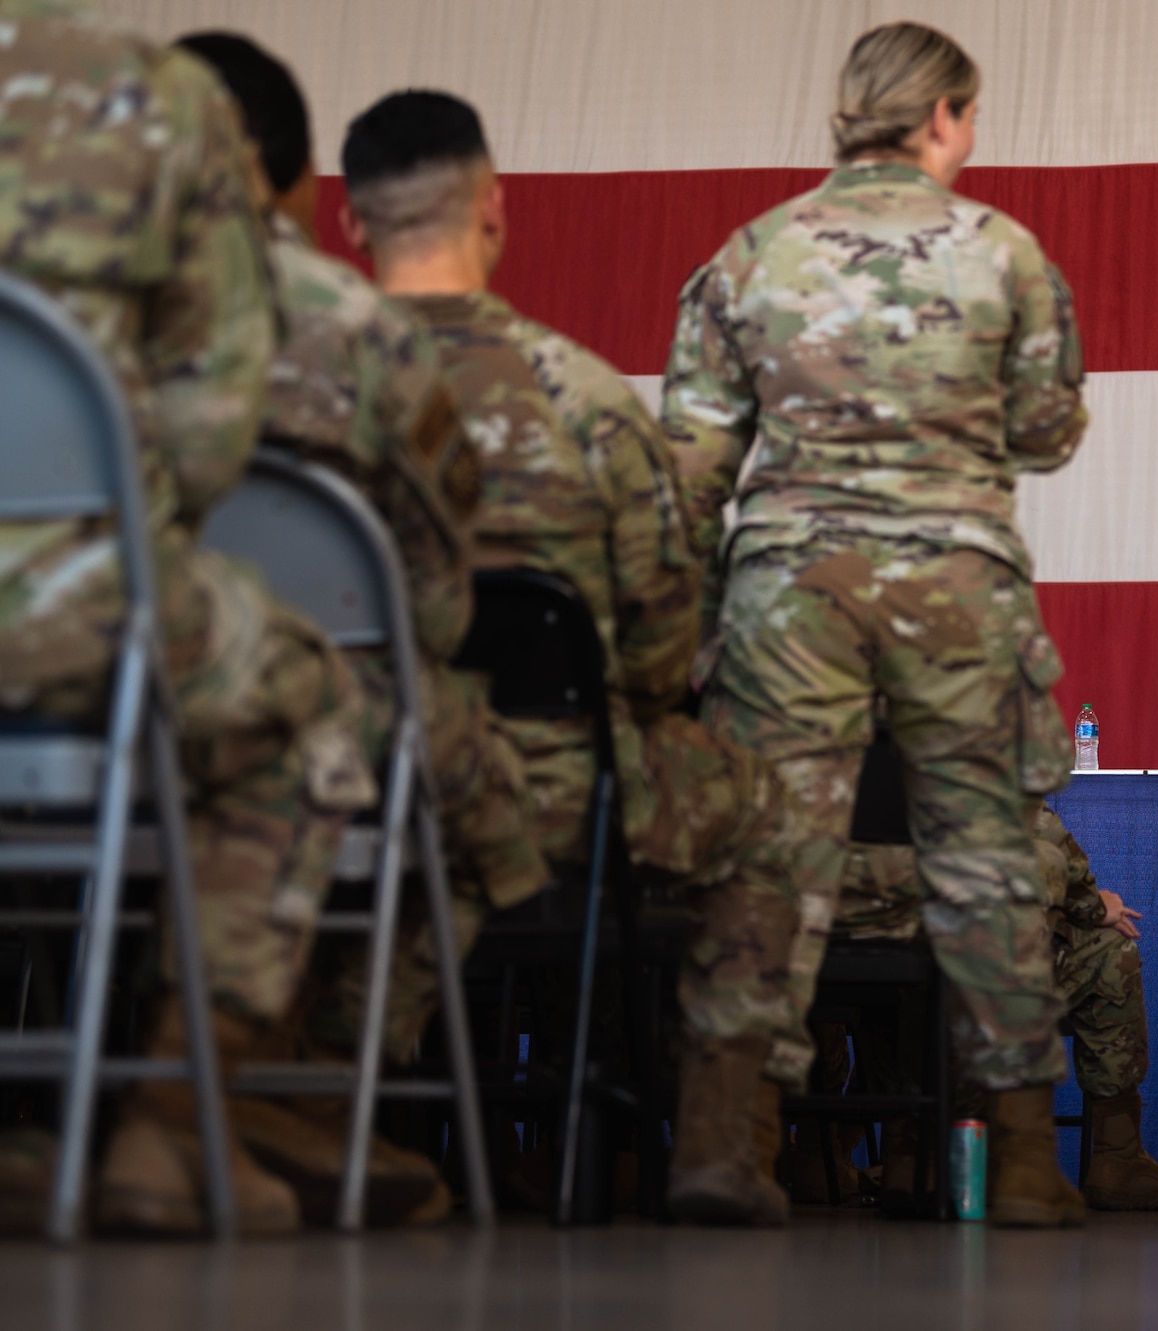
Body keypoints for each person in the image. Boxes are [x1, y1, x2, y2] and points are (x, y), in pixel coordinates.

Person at [339, 90, 810, 1226]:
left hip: (332, 783)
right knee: (768, 809)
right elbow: (654, 657)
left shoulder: (283, 395)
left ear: (353, 225)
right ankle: (708, 1147)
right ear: (492, 212)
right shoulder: (585, 404)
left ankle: (308, 1098)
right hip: (554, 792)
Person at [660, 21, 1090, 1227]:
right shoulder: (1003, 253)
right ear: (945, 115)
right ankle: (1016, 1158)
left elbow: (692, 465)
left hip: (790, 590)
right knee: (984, 858)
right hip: (955, 584)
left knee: (769, 858)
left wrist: (680, 642)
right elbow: (1048, 430)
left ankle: (722, 1139)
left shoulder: (751, 255)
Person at [0, 1, 375, 1236]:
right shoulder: (154, 94)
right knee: (313, 694)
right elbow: (213, 417)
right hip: (62, 601)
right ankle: (167, 1126)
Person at [172, 32, 550, 1227]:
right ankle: (298, 1093)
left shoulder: (71, 319)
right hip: (314, 723)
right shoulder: (364, 333)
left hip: (94, 711)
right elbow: (434, 604)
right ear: (296, 191)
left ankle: (176, 1093)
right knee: (485, 783)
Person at [813, 801, 1158, 1211]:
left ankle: (828, 1153)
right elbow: (1039, 834)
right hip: (961, 964)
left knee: (889, 992)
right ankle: (1114, 1159)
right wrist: (1091, 904)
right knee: (1105, 949)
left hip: (832, 958)